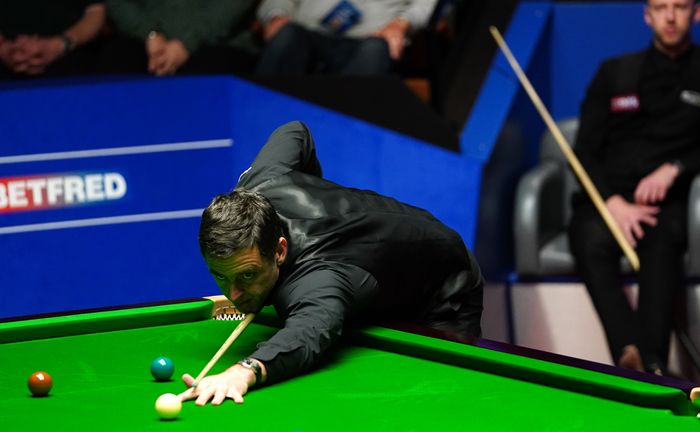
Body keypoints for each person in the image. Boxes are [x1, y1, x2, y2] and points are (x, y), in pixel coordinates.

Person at [179, 121, 484, 405]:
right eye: (220, 276)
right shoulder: (260, 182)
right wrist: (312, 185)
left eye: (248, 275)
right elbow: (294, 131)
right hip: (377, 267)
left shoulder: (320, 276)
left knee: (440, 398)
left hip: (443, 282)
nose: (233, 294)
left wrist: (243, 371)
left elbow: (309, 332)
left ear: (280, 251)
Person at [568, 0, 700, 375]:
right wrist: (612, 202)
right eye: (661, 7)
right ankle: (635, 355)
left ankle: (650, 363)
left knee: (660, 244)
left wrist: (674, 168)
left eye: (680, 6)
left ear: (697, 13)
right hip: (611, 199)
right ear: (647, 15)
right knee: (587, 238)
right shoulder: (614, 73)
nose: (670, 16)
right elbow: (583, 151)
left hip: (668, 201)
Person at [255, 0, 438, 75]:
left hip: (371, 39)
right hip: (305, 33)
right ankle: (256, 129)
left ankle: (342, 140)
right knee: (286, 35)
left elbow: (425, 4)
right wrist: (275, 15)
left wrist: (401, 24)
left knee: (375, 50)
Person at [104, 0, 260, 76]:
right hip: (145, 41)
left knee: (211, 73)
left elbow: (231, 6)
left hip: (219, 41)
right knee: (115, 64)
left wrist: (186, 41)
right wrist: (150, 34)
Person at [0, 0, 106, 79]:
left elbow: (96, 11)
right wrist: (3, 48)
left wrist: (60, 45)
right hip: (6, 61)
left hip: (74, 55)